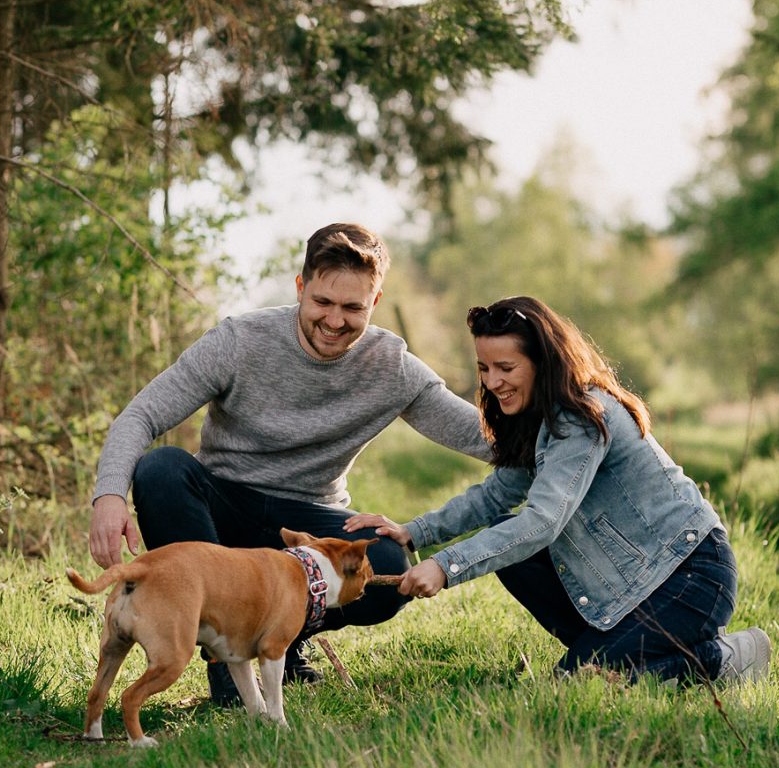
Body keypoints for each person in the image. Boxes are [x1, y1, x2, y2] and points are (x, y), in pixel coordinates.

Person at [89, 223, 490, 705]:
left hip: (308, 526)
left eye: (352, 308)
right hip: (223, 511)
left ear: (375, 302)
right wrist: (109, 494)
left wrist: (583, 429)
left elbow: (483, 435)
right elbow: (142, 415)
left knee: (385, 567)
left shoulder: (391, 366)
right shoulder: (240, 340)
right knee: (161, 470)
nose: (335, 321)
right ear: (301, 288)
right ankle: (224, 662)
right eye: (323, 302)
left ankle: (283, 640)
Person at [345, 296, 771, 685]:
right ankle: (614, 653)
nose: (493, 382)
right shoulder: (538, 419)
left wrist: (446, 566)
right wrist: (414, 532)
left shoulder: (581, 417)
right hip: (629, 586)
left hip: (689, 576)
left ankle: (723, 659)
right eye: (484, 369)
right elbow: (495, 496)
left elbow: (543, 521)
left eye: (506, 369)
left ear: (543, 362)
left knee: (575, 685)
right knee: (512, 548)